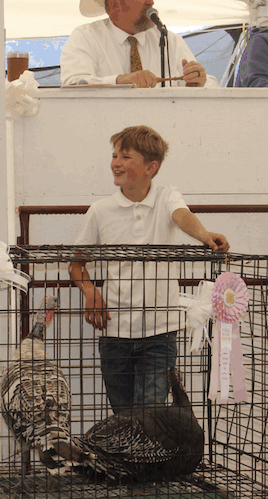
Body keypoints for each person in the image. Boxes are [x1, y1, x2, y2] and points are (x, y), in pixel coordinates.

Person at [69, 126, 229, 413]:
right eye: (115, 155)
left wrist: (204, 235)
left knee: (150, 415)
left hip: (160, 332)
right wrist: (90, 291)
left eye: (126, 157)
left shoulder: (167, 196)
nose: (116, 163)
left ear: (150, 167)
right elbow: (76, 264)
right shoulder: (100, 210)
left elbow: (182, 216)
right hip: (114, 332)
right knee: (124, 417)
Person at [61, 0, 218, 88]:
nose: (151, 2)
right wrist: (119, 81)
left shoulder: (169, 39)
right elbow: (73, 84)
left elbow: (211, 85)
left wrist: (198, 81)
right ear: (115, 4)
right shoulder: (86, 36)